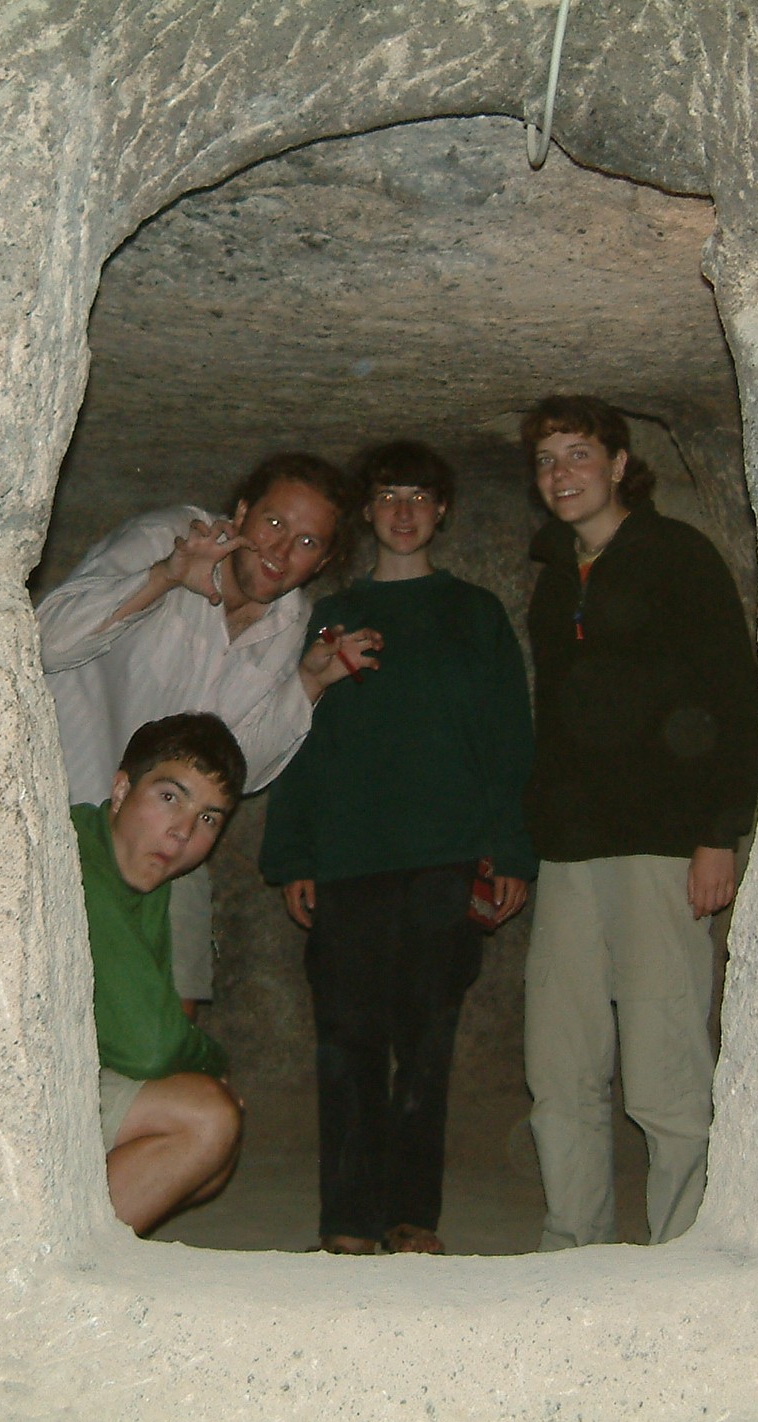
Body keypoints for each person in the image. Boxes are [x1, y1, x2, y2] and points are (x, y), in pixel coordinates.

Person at [261, 441, 536, 1255]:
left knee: (427, 1042)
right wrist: (294, 853)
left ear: (442, 510)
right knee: (346, 1041)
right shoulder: (331, 615)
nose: (404, 512)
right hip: (349, 856)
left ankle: (413, 1216)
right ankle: (347, 1221)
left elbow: (508, 740)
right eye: (388, 496)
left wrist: (511, 850)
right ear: (366, 511)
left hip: (445, 854)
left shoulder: (475, 613)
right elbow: (300, 734)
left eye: (420, 496)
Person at [519, 395, 758, 1250]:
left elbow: (731, 696)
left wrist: (718, 833)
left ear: (619, 465)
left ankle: (678, 1249)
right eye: (546, 460)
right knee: (561, 1064)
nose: (562, 474)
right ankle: (570, 1243)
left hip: (661, 846)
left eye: (579, 454)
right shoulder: (556, 575)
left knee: (664, 1065)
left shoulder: (676, 557)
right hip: (569, 849)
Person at [38, 453, 381, 1010]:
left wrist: (309, 683)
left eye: (305, 542)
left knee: (176, 1008)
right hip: (66, 816)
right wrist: (163, 577)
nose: (279, 551)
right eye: (273, 523)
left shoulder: (288, 619)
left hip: (168, 836)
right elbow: (45, 643)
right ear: (241, 513)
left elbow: (235, 771)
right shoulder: (169, 538)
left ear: (322, 562)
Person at [75, 712, 248, 1235]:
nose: (182, 832)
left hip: (84, 1074)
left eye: (209, 818)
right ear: (121, 790)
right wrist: (213, 1066)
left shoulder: (178, 881)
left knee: (211, 1157)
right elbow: (151, 1046)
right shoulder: (74, 854)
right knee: (208, 1118)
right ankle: (56, 1258)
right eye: (170, 797)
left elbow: (170, 1021)